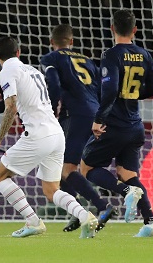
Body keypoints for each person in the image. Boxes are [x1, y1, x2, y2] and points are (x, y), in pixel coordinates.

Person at [0, 36, 98, 238]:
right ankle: (85, 216)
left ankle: (32, 221)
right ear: (18, 53)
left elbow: (10, 106)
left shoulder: (7, 72)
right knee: (51, 189)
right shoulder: (33, 70)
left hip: (37, 134)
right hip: (56, 133)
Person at [80, 9, 153, 237]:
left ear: (112, 28)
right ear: (135, 30)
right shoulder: (144, 54)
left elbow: (111, 90)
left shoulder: (111, 55)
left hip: (114, 125)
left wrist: (98, 120)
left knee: (86, 168)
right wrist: (132, 94)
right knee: (128, 173)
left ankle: (126, 192)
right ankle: (151, 221)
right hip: (135, 125)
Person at [40, 24, 116, 233]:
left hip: (74, 115)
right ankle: (76, 214)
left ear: (51, 42)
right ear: (71, 41)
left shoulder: (51, 59)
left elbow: (53, 85)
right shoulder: (89, 62)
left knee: (67, 169)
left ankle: (102, 206)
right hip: (93, 114)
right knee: (64, 166)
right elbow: (102, 89)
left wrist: (51, 108)